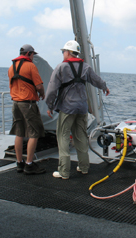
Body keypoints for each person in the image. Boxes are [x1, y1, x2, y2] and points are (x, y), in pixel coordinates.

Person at [45, 40, 110, 180]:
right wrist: (104, 87)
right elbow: (96, 80)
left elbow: (51, 89)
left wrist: (49, 106)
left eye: (64, 51)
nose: (63, 54)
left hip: (67, 108)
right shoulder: (85, 67)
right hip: (82, 108)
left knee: (62, 136)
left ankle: (64, 171)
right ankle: (84, 167)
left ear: (68, 52)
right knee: (80, 137)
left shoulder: (61, 68)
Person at [8, 44, 46, 175]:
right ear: (29, 53)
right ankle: (29, 164)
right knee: (34, 133)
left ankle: (19, 163)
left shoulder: (11, 67)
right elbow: (39, 86)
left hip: (15, 103)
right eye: (33, 55)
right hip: (28, 104)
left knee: (19, 133)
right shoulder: (31, 66)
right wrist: (42, 93)